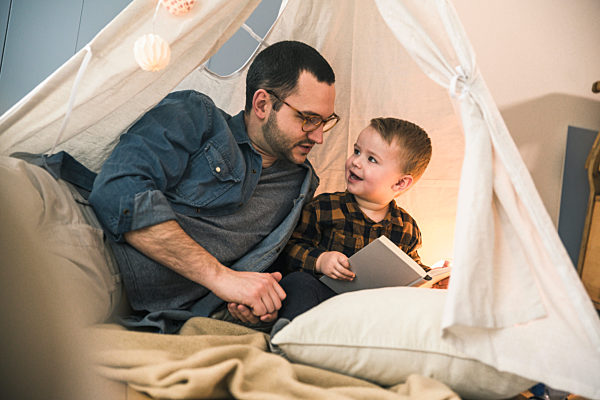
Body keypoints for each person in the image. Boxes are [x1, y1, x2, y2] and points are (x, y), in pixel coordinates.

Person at [6, 40, 338, 333]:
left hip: (108, 266)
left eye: (325, 121)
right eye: (308, 119)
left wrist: (248, 305)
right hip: (61, 202)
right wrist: (222, 279)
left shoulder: (299, 185)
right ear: (263, 104)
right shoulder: (198, 114)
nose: (319, 136)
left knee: (28, 324)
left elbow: (258, 272)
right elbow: (120, 189)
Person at [276, 117, 435, 320]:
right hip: (324, 302)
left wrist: (433, 278)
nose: (355, 162)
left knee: (414, 306)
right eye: (357, 151)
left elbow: (412, 268)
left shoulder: (406, 227)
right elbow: (289, 249)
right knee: (298, 283)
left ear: (400, 183)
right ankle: (289, 333)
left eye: (372, 159)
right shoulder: (324, 207)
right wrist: (320, 261)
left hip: (373, 312)